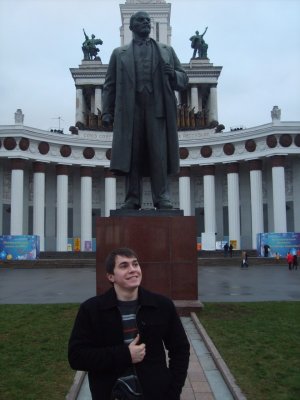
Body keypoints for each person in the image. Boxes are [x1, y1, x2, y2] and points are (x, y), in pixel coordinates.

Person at [68, 247, 190, 400]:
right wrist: (125, 355)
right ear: (111, 276)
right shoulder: (91, 310)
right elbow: (76, 357)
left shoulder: (162, 306)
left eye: (135, 264)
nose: (133, 269)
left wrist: (173, 392)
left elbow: (180, 350)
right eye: (124, 266)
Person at [102, 11, 189, 210]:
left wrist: (173, 74)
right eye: (141, 20)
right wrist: (107, 112)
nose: (146, 23)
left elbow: (184, 80)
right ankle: (132, 198)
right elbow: (110, 85)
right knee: (133, 155)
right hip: (130, 112)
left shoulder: (166, 50)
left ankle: (162, 197)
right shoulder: (118, 53)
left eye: (148, 21)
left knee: (158, 154)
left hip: (157, 110)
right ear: (131, 26)